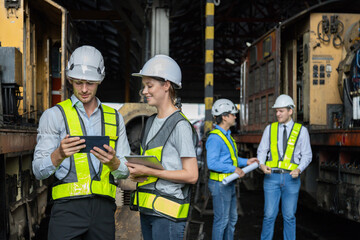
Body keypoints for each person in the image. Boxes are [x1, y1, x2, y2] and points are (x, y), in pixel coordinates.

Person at [32, 45, 131, 240]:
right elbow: (37, 170)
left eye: (90, 83)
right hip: (66, 211)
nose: (84, 89)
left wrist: (114, 163)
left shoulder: (115, 118)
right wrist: (58, 154)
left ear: (100, 80)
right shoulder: (54, 116)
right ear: (69, 79)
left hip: (103, 212)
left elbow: (126, 170)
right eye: (78, 82)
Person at [126, 54, 198, 240]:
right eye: (144, 86)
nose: (144, 91)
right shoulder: (150, 122)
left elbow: (191, 175)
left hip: (167, 214)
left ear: (166, 85)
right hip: (148, 208)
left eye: (149, 86)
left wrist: (149, 171)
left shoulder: (180, 125)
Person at [257, 94, 312, 240]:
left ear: (290, 111)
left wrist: (299, 169)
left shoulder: (302, 131)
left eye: (281, 111)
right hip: (271, 178)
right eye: (276, 111)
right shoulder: (270, 129)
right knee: (269, 215)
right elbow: (262, 150)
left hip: (291, 178)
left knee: (289, 216)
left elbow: (307, 155)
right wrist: (262, 165)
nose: (277, 114)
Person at [206, 98, 259, 240]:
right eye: (232, 114)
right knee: (221, 221)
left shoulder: (227, 136)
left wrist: (246, 161)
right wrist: (233, 169)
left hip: (228, 183)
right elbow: (212, 163)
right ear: (224, 117)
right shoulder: (215, 138)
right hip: (220, 184)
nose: (235, 117)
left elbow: (231, 160)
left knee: (231, 220)